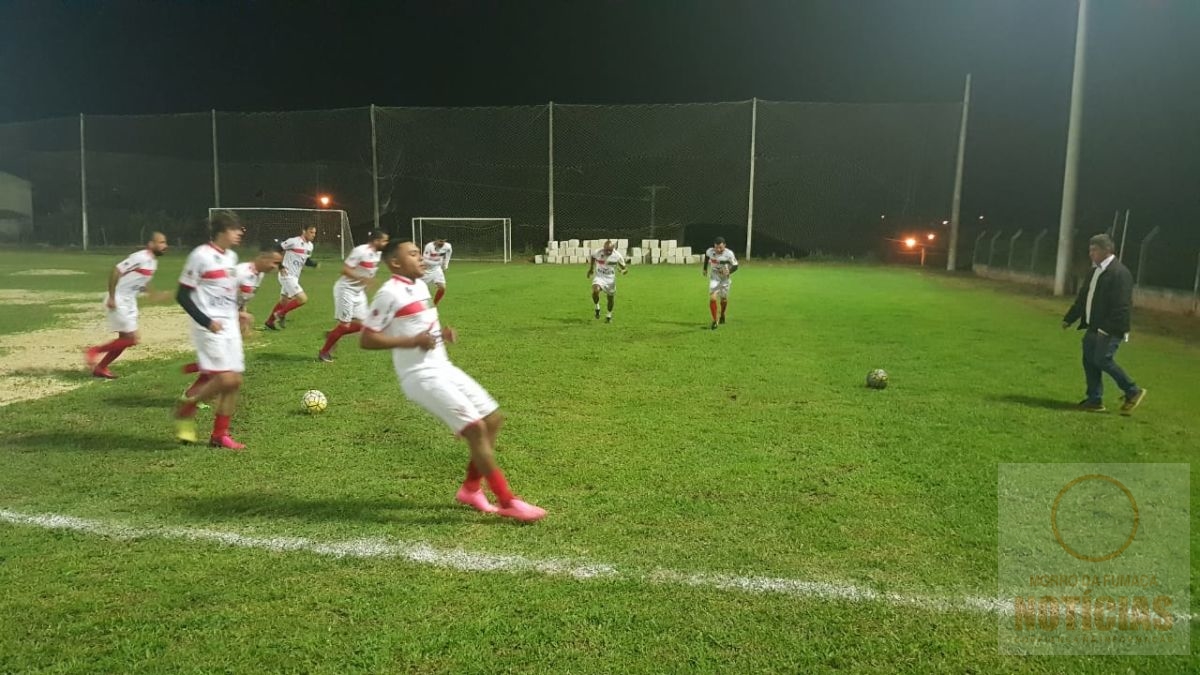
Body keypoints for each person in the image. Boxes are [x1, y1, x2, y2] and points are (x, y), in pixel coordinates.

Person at [360, 240, 546, 522]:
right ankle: (507, 501)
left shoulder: (421, 286)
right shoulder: (389, 293)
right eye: (413, 254)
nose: (421, 258)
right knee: (476, 430)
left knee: (493, 419)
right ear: (395, 263)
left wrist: (439, 335)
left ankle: (471, 489)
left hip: (443, 367)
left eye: (420, 253)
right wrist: (413, 340)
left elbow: (420, 326)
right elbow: (367, 338)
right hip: (420, 376)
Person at [174, 211, 248, 450]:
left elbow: (228, 292)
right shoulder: (200, 256)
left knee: (234, 382)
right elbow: (182, 295)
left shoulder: (232, 257)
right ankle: (187, 407)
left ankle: (219, 435)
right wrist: (206, 321)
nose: (239, 233)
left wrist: (240, 312)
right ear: (222, 231)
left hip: (230, 328)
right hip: (208, 328)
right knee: (225, 378)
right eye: (235, 229)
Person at [181, 241, 282, 399]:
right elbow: (218, 298)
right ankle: (190, 393)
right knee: (222, 364)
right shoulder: (239, 272)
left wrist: (242, 318)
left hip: (229, 322)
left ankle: (193, 377)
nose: (275, 267)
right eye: (274, 262)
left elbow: (241, 300)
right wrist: (239, 316)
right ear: (263, 257)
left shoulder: (259, 275)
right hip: (216, 320)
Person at [1062, 233, 1146, 414]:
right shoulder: (1094, 271)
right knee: (1089, 361)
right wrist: (1070, 318)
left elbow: (1122, 306)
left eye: (1094, 250)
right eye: (1090, 250)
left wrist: (1107, 329)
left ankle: (1133, 390)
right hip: (1093, 327)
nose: (1091, 254)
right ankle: (1094, 400)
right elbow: (1083, 298)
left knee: (1102, 359)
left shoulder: (1119, 273)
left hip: (1110, 329)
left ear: (1107, 250)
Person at [84, 232, 170, 378]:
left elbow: (141, 281)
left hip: (130, 302)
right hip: (119, 299)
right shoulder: (140, 257)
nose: (165, 246)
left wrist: (153, 293)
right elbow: (116, 270)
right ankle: (93, 351)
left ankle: (101, 368)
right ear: (151, 244)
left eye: (165, 242)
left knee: (126, 340)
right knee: (130, 339)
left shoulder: (153, 262)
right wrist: (112, 297)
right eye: (161, 242)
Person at [319, 229, 389, 362]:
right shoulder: (360, 251)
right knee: (344, 325)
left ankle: (332, 335)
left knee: (365, 324)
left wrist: (365, 283)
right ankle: (324, 352)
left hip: (359, 292)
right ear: (376, 241)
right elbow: (345, 270)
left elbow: (368, 272)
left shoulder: (377, 254)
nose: (386, 243)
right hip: (345, 290)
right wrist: (363, 279)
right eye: (384, 240)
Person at [266, 224, 317, 329]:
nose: (313, 235)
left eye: (314, 233)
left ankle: (270, 322)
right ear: (304, 231)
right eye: (311, 232)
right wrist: (280, 266)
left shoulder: (310, 246)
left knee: (284, 301)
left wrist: (314, 264)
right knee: (302, 299)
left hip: (295, 276)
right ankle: (280, 314)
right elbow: (276, 249)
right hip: (286, 275)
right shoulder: (293, 241)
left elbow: (305, 259)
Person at [702, 236, 739, 330]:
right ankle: (715, 321)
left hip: (725, 279)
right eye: (716, 247)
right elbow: (706, 257)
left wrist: (729, 271)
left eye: (721, 247)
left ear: (725, 246)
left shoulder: (729, 254)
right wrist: (705, 268)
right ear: (714, 246)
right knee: (713, 298)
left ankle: (722, 314)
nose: (718, 249)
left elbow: (736, 265)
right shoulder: (710, 251)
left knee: (723, 299)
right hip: (714, 277)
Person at [587, 239, 628, 323]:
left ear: (613, 248)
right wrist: (591, 269)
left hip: (610, 279)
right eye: (606, 250)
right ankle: (597, 307)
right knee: (595, 291)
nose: (608, 252)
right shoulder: (598, 252)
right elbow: (593, 257)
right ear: (603, 248)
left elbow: (625, 268)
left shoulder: (617, 256)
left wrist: (623, 271)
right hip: (599, 276)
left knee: (610, 298)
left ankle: (609, 315)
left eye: (610, 250)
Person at [421, 238, 452, 305]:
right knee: (422, 292)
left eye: (443, 241)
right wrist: (437, 262)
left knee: (442, 288)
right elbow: (425, 260)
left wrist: (446, 265)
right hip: (426, 270)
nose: (441, 243)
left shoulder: (448, 246)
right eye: (439, 241)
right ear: (435, 241)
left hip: (437, 269)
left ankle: (434, 305)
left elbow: (449, 254)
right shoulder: (429, 246)